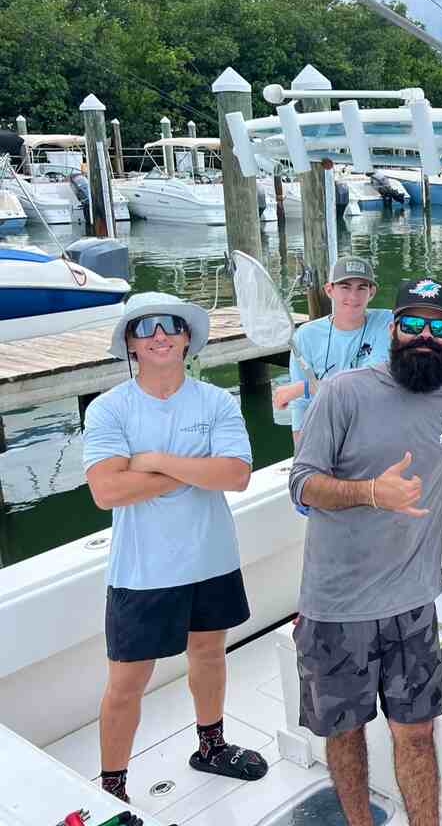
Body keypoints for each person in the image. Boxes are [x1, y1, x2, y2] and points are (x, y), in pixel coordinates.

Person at [288, 277, 442, 826]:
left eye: (439, 327)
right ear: (393, 329)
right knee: (346, 734)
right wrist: (370, 492)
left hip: (412, 605)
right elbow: (302, 484)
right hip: (337, 607)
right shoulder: (345, 392)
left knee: (418, 735)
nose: (426, 336)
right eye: (414, 324)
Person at [82, 293, 267, 804]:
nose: (159, 334)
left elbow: (236, 474)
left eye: (171, 325)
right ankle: (112, 790)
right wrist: (191, 470)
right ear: (131, 345)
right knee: (126, 682)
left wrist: (154, 461)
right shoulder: (109, 409)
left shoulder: (216, 402)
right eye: (145, 327)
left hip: (211, 559)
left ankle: (211, 745)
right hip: (141, 572)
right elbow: (107, 491)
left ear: (187, 338)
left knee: (209, 653)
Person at [272, 255, 393, 446]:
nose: (353, 297)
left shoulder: (386, 323)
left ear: (372, 292)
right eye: (345, 287)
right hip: (325, 433)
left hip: (372, 431)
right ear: (329, 290)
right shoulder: (305, 335)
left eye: (361, 288)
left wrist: (303, 388)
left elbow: (369, 383)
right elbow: (300, 406)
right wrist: (301, 454)